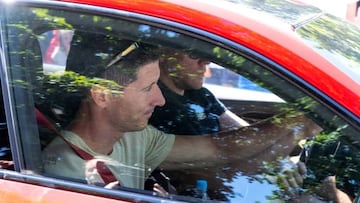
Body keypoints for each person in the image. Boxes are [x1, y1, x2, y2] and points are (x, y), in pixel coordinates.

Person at [41, 32, 322, 200]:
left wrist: (295, 122)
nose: (160, 99)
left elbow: (220, 149)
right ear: (102, 95)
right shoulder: (68, 176)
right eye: (149, 88)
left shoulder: (134, 137)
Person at [149, 48, 248, 135]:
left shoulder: (201, 94)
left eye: (205, 52)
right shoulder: (154, 104)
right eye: (194, 53)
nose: (206, 61)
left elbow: (242, 131)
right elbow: (215, 148)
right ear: (163, 54)